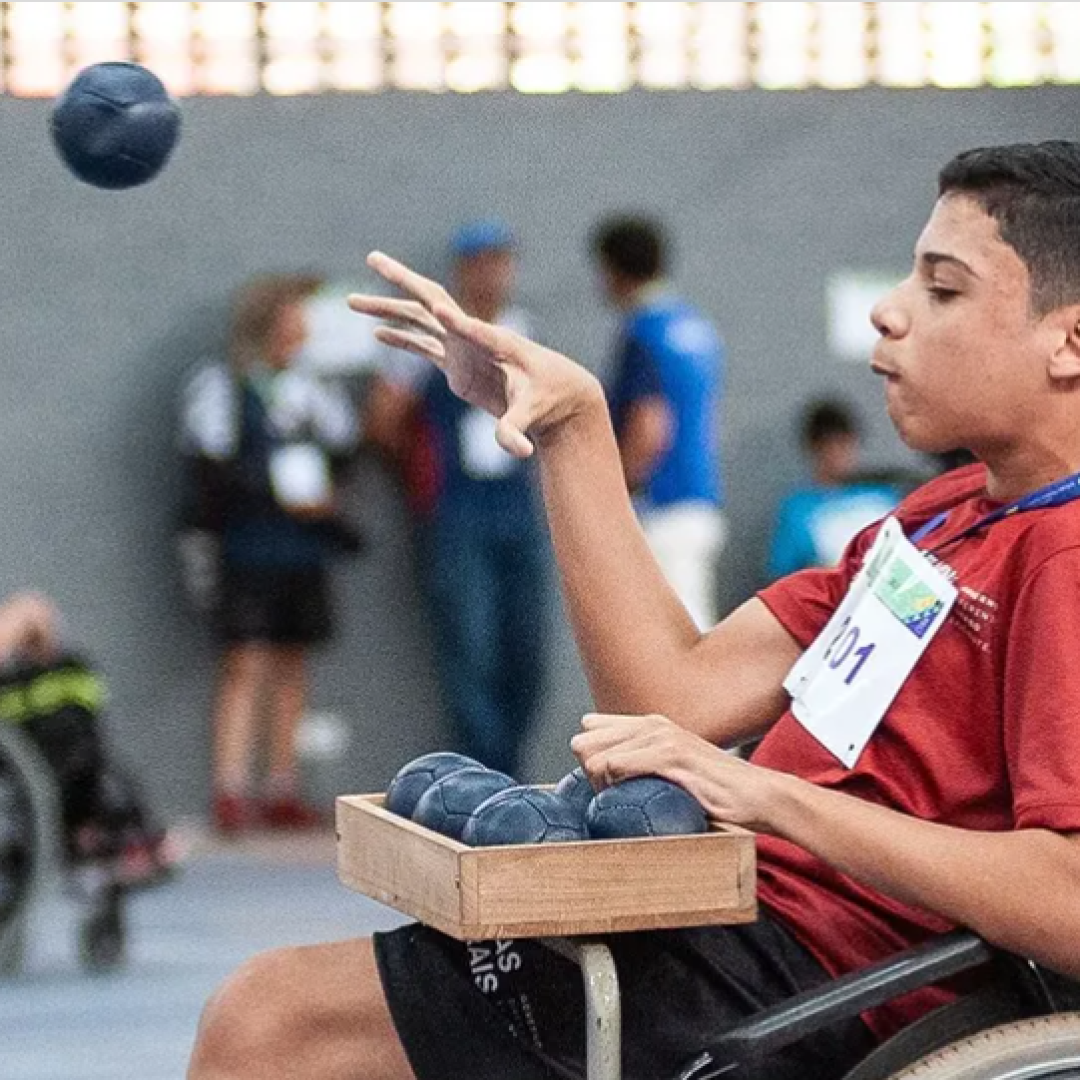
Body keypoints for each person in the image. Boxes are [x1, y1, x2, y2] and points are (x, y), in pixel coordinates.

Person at [189, 141, 1080, 1080]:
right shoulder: (941, 514)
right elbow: (675, 696)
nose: (889, 309)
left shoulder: (1063, 554)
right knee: (264, 1010)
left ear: (1069, 339)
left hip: (825, 985)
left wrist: (772, 799)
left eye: (942, 289)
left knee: (273, 1027)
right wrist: (574, 427)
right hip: (726, 915)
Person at [363, 220, 547, 777]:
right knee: (470, 644)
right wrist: (422, 469)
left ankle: (512, 762)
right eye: (481, 262)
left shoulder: (523, 330)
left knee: (526, 644)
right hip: (457, 510)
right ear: (462, 269)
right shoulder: (432, 333)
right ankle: (485, 767)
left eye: (501, 261)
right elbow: (382, 418)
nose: (492, 274)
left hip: (515, 504)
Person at [179, 274, 361, 836]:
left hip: (301, 544)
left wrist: (320, 496)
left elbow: (343, 448)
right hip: (250, 540)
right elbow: (208, 466)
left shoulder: (311, 389)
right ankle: (231, 783)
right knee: (244, 660)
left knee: (292, 660)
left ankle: (282, 781)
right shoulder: (225, 386)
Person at [594, 215, 727, 629]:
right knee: (693, 624)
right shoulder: (696, 328)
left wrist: (614, 495)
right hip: (700, 497)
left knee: (676, 638)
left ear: (614, 270)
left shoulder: (642, 334)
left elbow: (649, 425)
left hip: (663, 506)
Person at [0, 593, 173, 890]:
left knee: (107, 774)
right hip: (28, 772)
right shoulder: (9, 678)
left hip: (74, 764)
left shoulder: (71, 666)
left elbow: (87, 716)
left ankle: (133, 841)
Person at [767, 397, 905, 578]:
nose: (838, 455)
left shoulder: (881, 496)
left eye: (844, 444)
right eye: (829, 446)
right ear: (814, 449)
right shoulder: (798, 508)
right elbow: (782, 572)